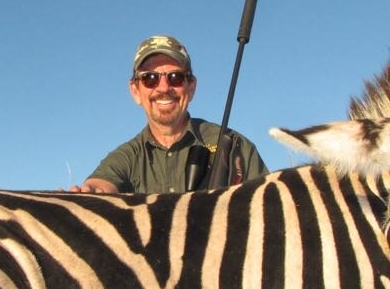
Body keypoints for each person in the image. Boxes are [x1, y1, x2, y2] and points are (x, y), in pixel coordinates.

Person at [71, 35, 268, 194]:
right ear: (135, 91)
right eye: (150, 79)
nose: (164, 88)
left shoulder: (233, 146)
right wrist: (88, 193)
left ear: (191, 88)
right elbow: (100, 185)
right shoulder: (127, 157)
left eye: (176, 78)